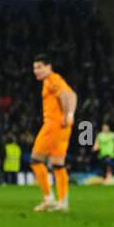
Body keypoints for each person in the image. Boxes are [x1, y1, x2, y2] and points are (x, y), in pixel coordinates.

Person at [30, 56, 76, 213]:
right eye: (34, 68)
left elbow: (64, 96)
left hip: (53, 125)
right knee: (58, 164)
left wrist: (65, 115)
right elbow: (73, 95)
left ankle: (48, 199)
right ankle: (63, 202)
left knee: (36, 159)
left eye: (39, 67)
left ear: (48, 66)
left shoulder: (51, 79)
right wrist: (70, 115)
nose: (36, 71)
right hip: (63, 127)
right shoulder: (57, 79)